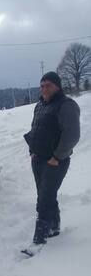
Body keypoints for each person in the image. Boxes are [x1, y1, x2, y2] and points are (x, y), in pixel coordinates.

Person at [24, 71, 80, 245]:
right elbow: (35, 128)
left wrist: (57, 156)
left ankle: (38, 240)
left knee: (44, 199)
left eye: (48, 85)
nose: (44, 89)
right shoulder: (40, 105)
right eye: (42, 86)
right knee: (46, 194)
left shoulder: (66, 105)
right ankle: (54, 227)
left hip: (55, 161)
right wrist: (32, 150)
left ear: (57, 86)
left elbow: (72, 135)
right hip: (38, 158)